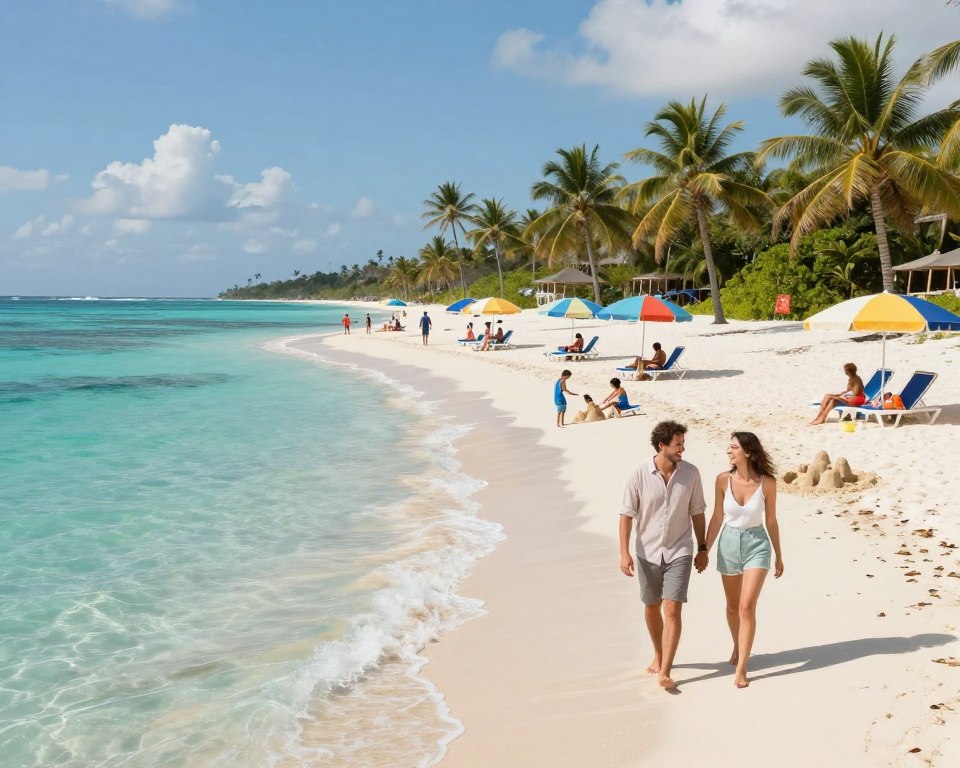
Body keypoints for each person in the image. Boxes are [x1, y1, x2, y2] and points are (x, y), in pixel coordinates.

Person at [619, 420, 707, 689]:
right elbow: (626, 515)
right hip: (647, 551)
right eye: (677, 444)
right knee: (652, 606)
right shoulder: (639, 475)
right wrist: (624, 553)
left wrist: (702, 548)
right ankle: (658, 652)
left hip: (679, 549)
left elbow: (698, 513)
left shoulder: (691, 474)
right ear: (662, 445)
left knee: (672, 608)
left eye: (683, 443)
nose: (682, 448)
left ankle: (665, 670)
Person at [704, 432, 784, 689]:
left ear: (747, 452)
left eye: (734, 447)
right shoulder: (721, 480)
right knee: (732, 606)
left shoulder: (767, 483)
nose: (729, 451)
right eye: (729, 447)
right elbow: (717, 517)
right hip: (728, 543)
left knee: (746, 606)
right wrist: (704, 548)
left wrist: (779, 554)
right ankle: (738, 646)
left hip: (757, 545)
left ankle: (742, 669)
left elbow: (771, 520)